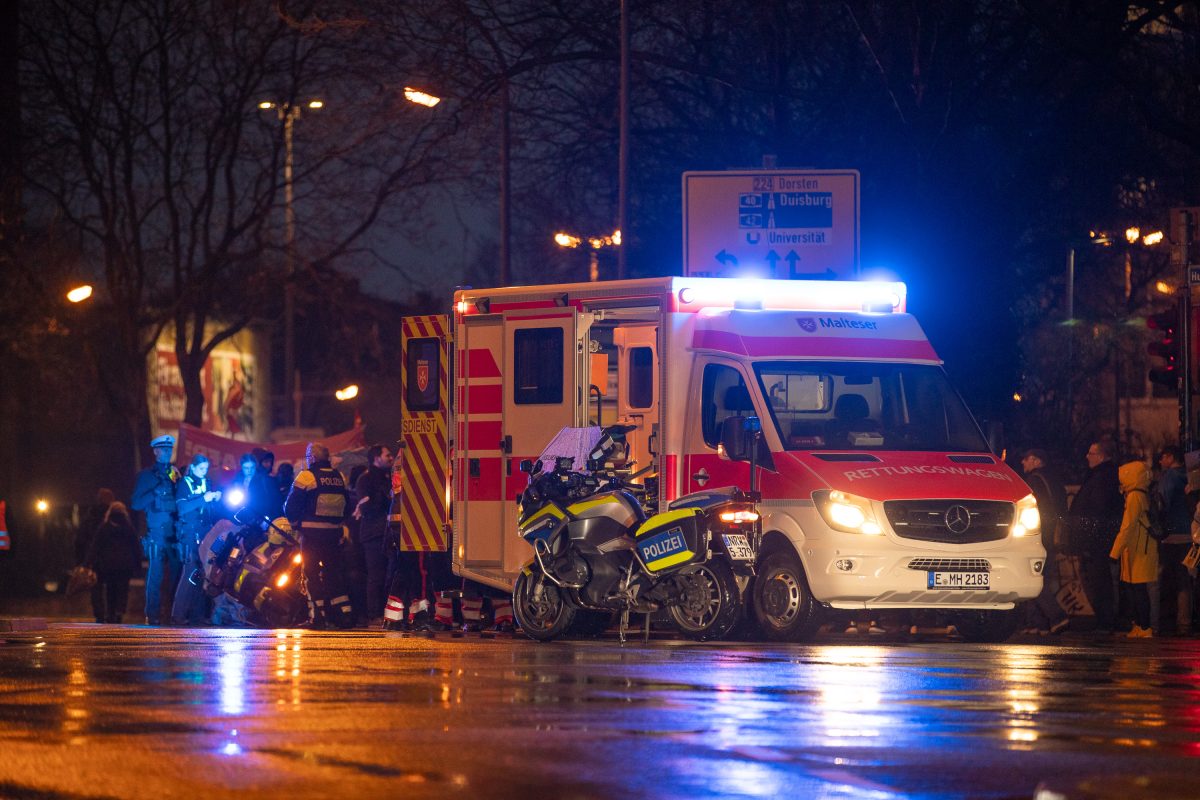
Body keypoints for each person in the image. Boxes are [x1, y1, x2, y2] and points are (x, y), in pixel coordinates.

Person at [284, 442, 354, 628]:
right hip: (333, 536)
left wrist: (295, 525)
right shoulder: (339, 477)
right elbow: (348, 505)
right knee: (334, 574)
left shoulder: (306, 476)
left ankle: (318, 617)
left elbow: (290, 506)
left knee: (311, 575)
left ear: (312, 458)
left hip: (311, 536)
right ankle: (344, 614)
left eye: (308, 456)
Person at [1064, 440, 1123, 632]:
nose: (1086, 456)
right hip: (1096, 540)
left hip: (1096, 542)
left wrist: (1088, 539)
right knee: (1099, 580)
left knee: (1100, 581)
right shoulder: (1101, 476)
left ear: (1102, 456)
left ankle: (1106, 621)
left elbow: (1098, 511)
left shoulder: (1101, 478)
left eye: (1091, 453)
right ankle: (1105, 619)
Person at [130, 434, 181, 625]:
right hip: (157, 532)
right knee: (156, 575)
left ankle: (173, 613)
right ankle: (152, 614)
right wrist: (155, 491)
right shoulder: (147, 476)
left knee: (176, 574)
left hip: (175, 532)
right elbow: (135, 503)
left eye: (170, 449)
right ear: (156, 451)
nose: (168, 452)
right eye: (164, 449)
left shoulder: (175, 473)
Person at [1019, 448, 1071, 634]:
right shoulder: (1054, 479)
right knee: (1042, 577)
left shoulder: (1034, 481)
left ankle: (1058, 616)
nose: (1023, 463)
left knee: (1034, 578)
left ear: (1035, 460)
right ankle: (1036, 623)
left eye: (1025, 459)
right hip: (1051, 536)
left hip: (1039, 536)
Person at [170, 454, 221, 626]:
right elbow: (182, 508)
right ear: (192, 467)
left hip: (204, 532)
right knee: (189, 573)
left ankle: (197, 616)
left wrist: (215, 498)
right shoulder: (185, 483)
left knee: (202, 574)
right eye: (201, 469)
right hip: (190, 534)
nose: (203, 472)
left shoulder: (206, 483)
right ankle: (177, 615)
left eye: (206, 469)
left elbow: (208, 510)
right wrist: (203, 499)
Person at [1112, 460, 1159, 638]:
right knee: (1138, 589)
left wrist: (1114, 553)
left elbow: (1127, 527)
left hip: (1138, 550)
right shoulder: (1142, 494)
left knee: (1138, 590)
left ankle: (1144, 627)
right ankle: (1141, 625)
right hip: (1141, 548)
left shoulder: (1133, 497)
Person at [354, 444, 394, 624]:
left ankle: (388, 612)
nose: (391, 458)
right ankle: (374, 614)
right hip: (373, 534)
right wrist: (383, 497)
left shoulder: (390, 478)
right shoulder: (366, 480)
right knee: (376, 575)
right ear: (376, 458)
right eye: (388, 455)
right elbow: (368, 507)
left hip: (388, 533)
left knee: (389, 575)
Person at [84, 501, 142, 623]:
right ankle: (119, 611)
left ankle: (110, 612)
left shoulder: (105, 526)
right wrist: (138, 563)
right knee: (123, 588)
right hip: (125, 564)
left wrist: (87, 563)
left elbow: (96, 545)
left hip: (108, 564)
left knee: (111, 589)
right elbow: (135, 546)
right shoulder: (128, 527)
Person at [1156, 445, 1193, 635]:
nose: (1160, 462)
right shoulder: (1191, 477)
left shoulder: (1169, 477)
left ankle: (1166, 623)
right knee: (1185, 581)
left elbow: (1163, 503)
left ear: (1170, 457)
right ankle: (1185, 623)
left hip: (1171, 536)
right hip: (1189, 533)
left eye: (1162, 457)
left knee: (1167, 580)